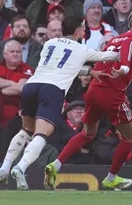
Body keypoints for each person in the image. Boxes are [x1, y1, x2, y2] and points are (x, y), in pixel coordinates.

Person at [0, 17, 119, 189]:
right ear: (78, 31)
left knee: (26, 129)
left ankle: (4, 167)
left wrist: (89, 71)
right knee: (41, 134)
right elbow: (110, 56)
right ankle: (21, 166)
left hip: (32, 85)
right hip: (52, 89)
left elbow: (60, 64)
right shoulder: (82, 48)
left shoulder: (50, 43)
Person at [44, 10, 132, 190]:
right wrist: (125, 67)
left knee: (88, 133)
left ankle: (55, 165)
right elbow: (130, 43)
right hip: (112, 91)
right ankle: (111, 177)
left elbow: (107, 55)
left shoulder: (113, 40)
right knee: (130, 137)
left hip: (95, 87)